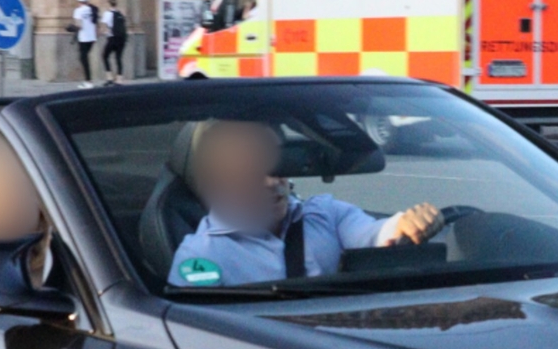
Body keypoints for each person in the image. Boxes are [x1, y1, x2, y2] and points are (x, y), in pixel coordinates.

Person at [167, 118, 442, 287]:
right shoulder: (201, 256)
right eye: (251, 173)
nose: (271, 182)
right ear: (219, 181)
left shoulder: (324, 214)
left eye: (279, 166)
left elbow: (374, 234)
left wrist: (405, 225)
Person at [70, 0, 99, 84]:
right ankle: (88, 80)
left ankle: (88, 81)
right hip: (92, 37)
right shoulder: (92, 9)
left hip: (83, 37)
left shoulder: (78, 11)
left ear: (79, 1)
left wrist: (71, 28)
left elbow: (79, 25)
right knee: (85, 57)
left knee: (83, 58)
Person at [102, 0, 129, 81]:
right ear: (116, 4)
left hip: (112, 38)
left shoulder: (107, 13)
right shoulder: (120, 14)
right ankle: (119, 79)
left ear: (109, 4)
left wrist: (104, 32)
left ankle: (109, 77)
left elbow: (105, 26)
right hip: (121, 39)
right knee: (118, 58)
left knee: (105, 56)